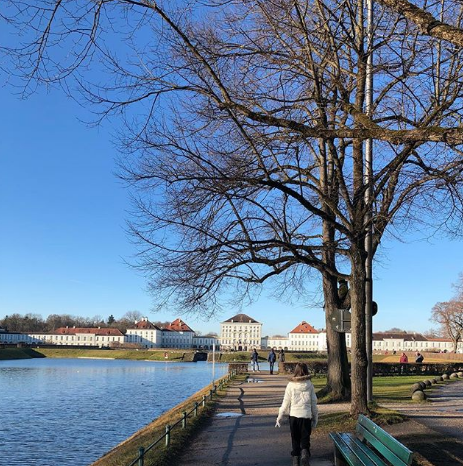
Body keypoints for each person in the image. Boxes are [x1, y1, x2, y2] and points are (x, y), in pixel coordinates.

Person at [275, 362, 318, 466]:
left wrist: (280, 416)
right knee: (305, 438)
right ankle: (304, 454)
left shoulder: (291, 385)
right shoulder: (310, 385)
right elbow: (313, 402)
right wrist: (315, 417)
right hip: (306, 415)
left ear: (296, 371)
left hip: (294, 415)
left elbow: (286, 401)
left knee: (295, 438)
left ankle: (295, 460)